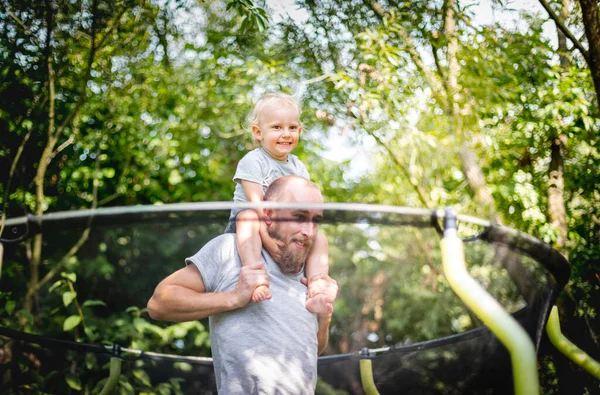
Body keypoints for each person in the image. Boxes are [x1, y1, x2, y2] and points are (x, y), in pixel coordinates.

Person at [147, 176, 338, 394]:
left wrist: (325, 316)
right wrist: (234, 297)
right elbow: (158, 303)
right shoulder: (231, 250)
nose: (309, 231)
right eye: (299, 217)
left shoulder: (313, 274)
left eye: (316, 220)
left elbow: (315, 349)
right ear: (268, 214)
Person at [226, 92, 330, 313]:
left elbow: (305, 203)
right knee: (247, 216)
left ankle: (317, 286)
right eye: (277, 128)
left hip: (282, 226)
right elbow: (256, 204)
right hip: (251, 224)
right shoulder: (253, 161)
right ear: (258, 133)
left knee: (319, 237)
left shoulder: (298, 167)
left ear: (299, 131)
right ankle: (255, 274)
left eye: (292, 128)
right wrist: (269, 241)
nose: (286, 134)